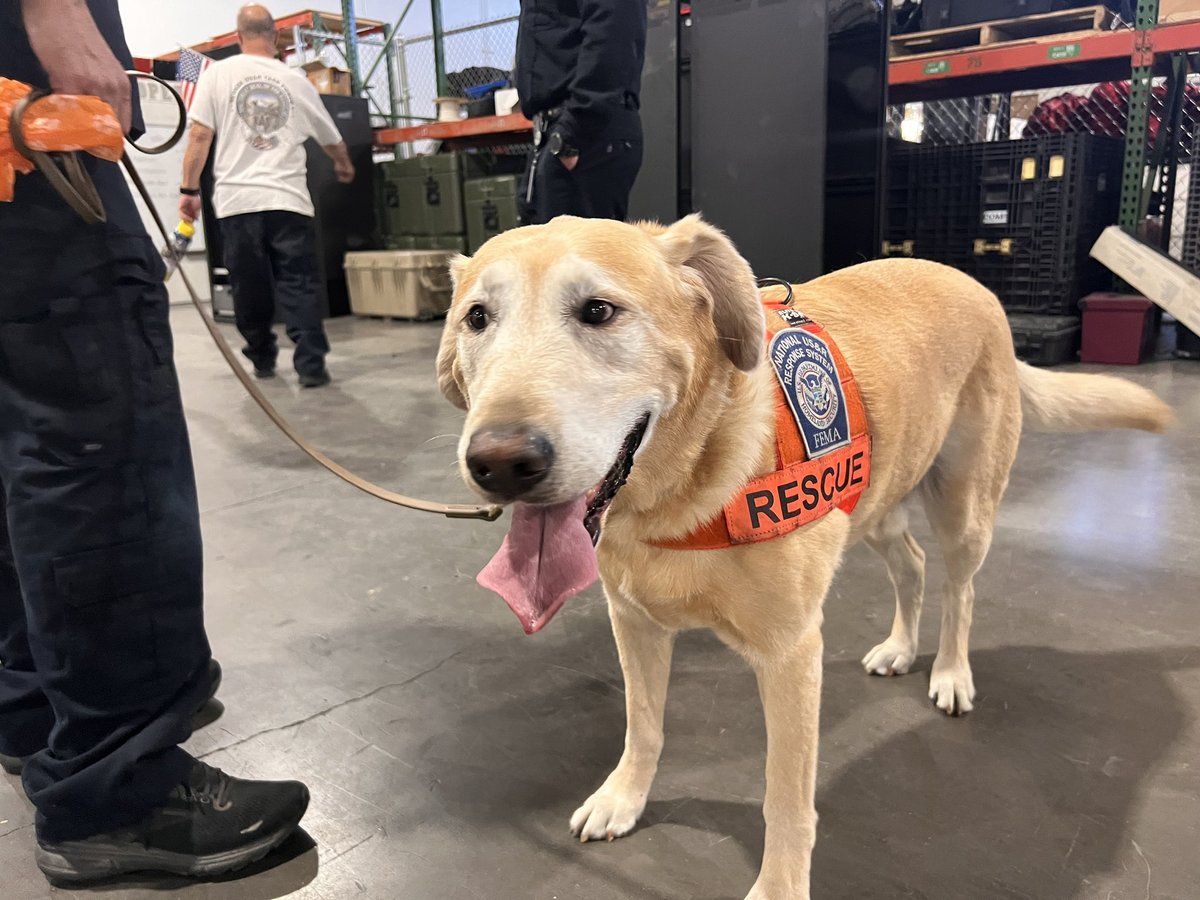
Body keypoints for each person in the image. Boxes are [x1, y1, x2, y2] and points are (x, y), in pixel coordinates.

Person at [0, 0, 309, 883]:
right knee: (98, 443)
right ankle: (119, 784)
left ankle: (32, 708)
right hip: (30, 123)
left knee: (21, 432)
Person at [179, 4, 355, 389]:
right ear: (275, 38)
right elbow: (331, 137)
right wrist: (343, 164)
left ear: (239, 37)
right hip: (288, 200)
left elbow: (198, 137)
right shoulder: (295, 80)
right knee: (299, 284)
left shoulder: (217, 75)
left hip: (237, 204)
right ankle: (310, 365)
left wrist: (188, 190)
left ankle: (261, 358)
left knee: (249, 285)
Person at [514, 0, 648, 225]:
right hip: (560, 130)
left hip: (584, 130)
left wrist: (574, 131)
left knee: (573, 255)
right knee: (547, 249)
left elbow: (612, 28)